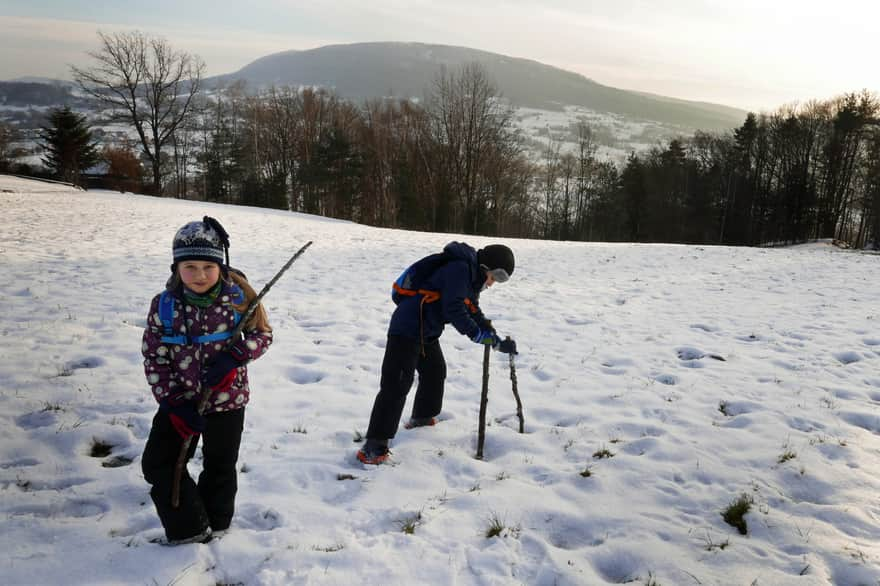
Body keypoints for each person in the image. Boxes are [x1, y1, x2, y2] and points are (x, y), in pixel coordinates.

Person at [141, 216, 273, 545]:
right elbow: (154, 357)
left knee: (220, 464)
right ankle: (189, 527)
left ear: (220, 265)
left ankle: (217, 522)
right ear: (176, 268)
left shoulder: (239, 299)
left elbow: (263, 334)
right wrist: (173, 402)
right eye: (190, 267)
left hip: (228, 402)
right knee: (160, 462)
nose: (199, 275)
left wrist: (237, 355)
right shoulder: (165, 306)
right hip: (181, 402)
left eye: (207, 267)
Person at [357, 242, 518, 465]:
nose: (493, 284)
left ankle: (422, 418)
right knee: (397, 383)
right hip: (407, 328)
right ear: (485, 266)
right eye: (496, 277)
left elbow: (472, 309)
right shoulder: (460, 269)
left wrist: (495, 339)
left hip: (426, 330)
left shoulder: (470, 278)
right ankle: (374, 445)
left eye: (500, 280)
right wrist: (478, 335)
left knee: (435, 371)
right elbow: (454, 309)